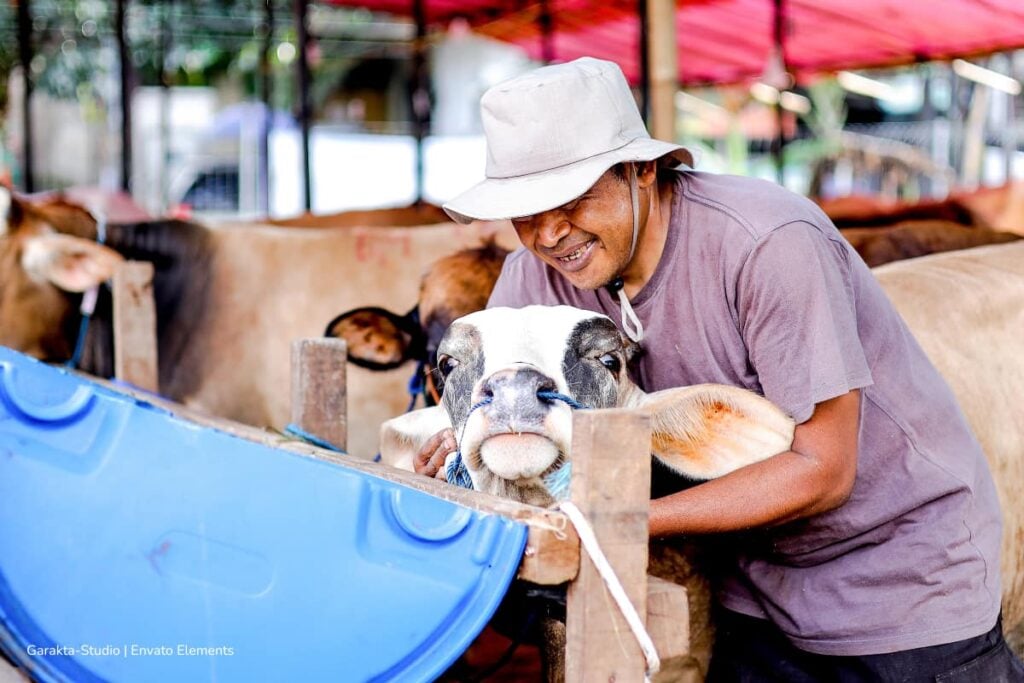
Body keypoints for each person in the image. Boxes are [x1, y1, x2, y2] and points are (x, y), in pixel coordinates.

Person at [417, 57, 1023, 681]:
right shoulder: (535, 277)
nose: (548, 233)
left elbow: (825, 469)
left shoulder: (766, 243)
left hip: (895, 576)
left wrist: (626, 523)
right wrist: (464, 452)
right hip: (751, 583)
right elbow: (503, 416)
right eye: (524, 210)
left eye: (571, 199)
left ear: (643, 170)